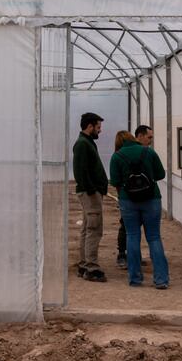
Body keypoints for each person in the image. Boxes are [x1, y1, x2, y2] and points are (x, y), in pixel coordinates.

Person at [109, 129, 170, 289]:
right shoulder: (148, 152)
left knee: (132, 236)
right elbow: (160, 175)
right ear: (133, 138)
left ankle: (135, 279)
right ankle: (161, 280)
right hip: (151, 199)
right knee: (154, 237)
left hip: (128, 200)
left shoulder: (116, 156)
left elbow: (114, 180)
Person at [72, 112, 109, 281]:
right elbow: (80, 171)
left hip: (91, 192)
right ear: (90, 126)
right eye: (98, 127)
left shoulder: (87, 143)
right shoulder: (82, 144)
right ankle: (91, 267)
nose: (100, 131)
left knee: (88, 228)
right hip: (90, 194)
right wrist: (92, 190)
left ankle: (84, 263)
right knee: (94, 229)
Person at [111, 131, 137, 268]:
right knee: (135, 229)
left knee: (126, 226)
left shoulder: (117, 156)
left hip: (126, 197)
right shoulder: (145, 152)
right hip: (143, 197)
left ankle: (123, 254)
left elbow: (115, 181)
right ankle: (130, 255)